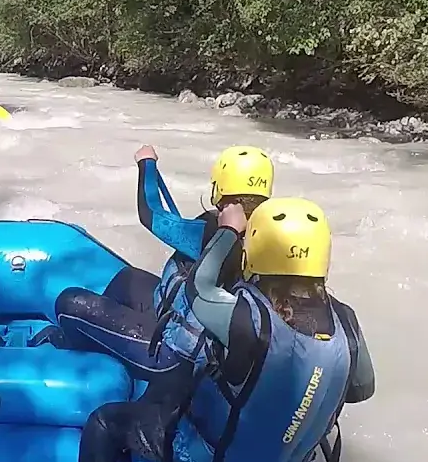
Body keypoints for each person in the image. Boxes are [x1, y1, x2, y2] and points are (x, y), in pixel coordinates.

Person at [7, 198, 376, 462]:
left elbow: (199, 289)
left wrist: (229, 232)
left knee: (106, 423)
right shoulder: (345, 321)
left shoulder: (246, 319)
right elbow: (361, 388)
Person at [51, 144, 274, 383]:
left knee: (70, 302)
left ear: (220, 186)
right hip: (180, 319)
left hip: (174, 353)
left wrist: (146, 163)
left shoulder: (214, 231)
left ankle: (78, 361)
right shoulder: (269, 236)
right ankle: (104, 343)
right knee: (129, 278)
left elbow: (152, 214)